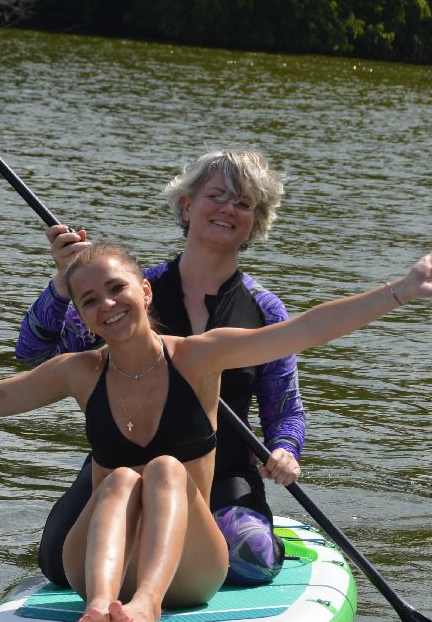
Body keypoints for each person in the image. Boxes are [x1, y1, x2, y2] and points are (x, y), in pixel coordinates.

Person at [0, 241, 432, 622]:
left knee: (165, 471)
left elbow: (306, 331)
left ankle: (143, 608)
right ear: (81, 314)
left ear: (144, 292)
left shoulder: (201, 358)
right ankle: (99, 607)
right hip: (93, 561)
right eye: (89, 299)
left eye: (116, 289)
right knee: (119, 477)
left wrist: (400, 292)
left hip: (187, 570)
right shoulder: (79, 371)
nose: (106, 305)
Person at [16, 148, 303, 589]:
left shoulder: (265, 309)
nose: (229, 208)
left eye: (244, 203)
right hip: (120, 469)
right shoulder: (127, 293)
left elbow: (285, 411)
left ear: (255, 222)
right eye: (217, 195)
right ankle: (133, 559)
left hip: (220, 475)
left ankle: (229, 539)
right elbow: (36, 355)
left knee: (251, 562)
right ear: (187, 205)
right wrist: (61, 283)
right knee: (56, 564)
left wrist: (285, 449)